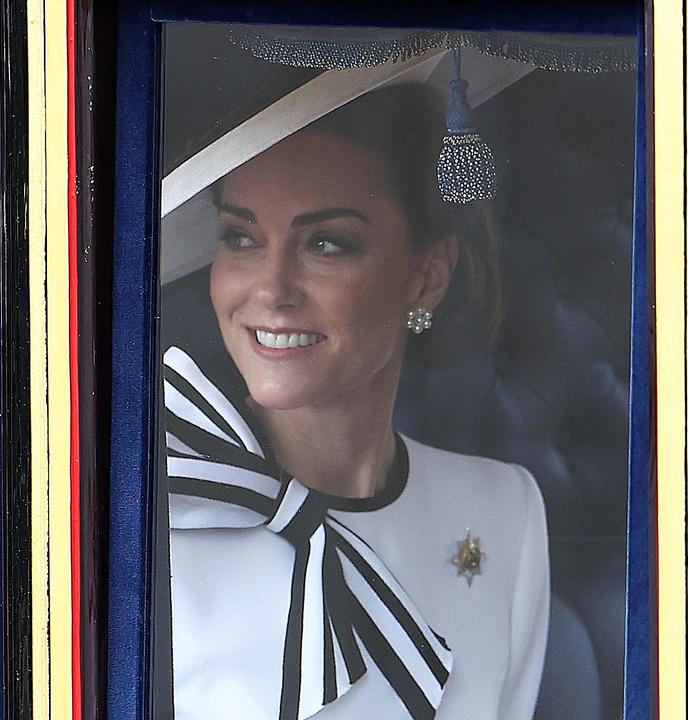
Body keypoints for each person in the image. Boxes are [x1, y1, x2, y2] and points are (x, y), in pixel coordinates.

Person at [162, 82, 550, 720]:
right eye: (240, 238)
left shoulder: (505, 511)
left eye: (326, 244)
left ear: (425, 277)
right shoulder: (156, 509)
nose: (272, 290)